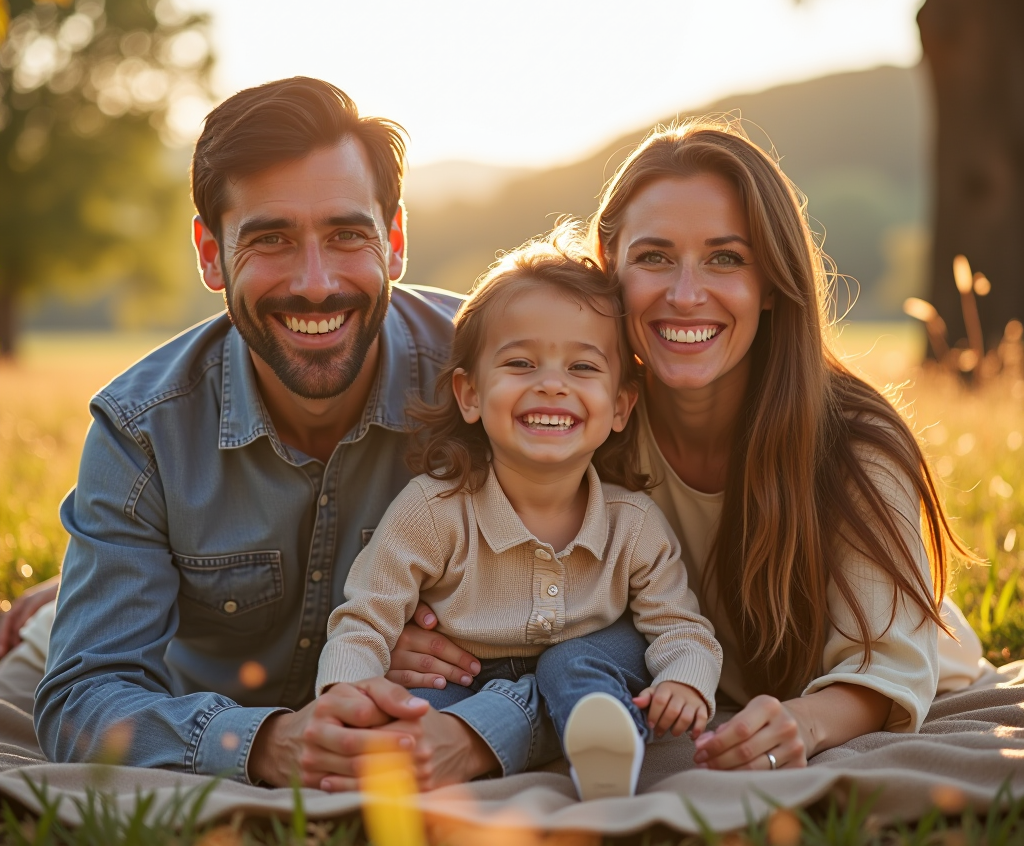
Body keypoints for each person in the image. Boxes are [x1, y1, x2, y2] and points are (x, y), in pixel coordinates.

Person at [297, 119, 984, 782]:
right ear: (610, 270)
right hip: (665, 682)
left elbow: (887, 670)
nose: (686, 295)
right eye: (654, 258)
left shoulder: (853, 444)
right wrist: (428, 637)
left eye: (726, 258)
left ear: (772, 282)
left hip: (852, 684)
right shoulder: (583, 425)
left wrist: (801, 724)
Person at [26, 76, 500, 786]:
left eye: (347, 235)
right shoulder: (142, 431)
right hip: (205, 690)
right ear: (211, 253)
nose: (314, 283)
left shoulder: (502, 383)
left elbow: (597, 618)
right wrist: (267, 743)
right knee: (50, 636)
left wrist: (476, 733)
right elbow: (79, 702)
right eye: (271, 239)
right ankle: (66, 595)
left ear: (395, 240)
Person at [315, 235, 722, 799]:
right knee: (411, 722)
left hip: (594, 667)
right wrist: (348, 695)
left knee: (577, 664)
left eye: (582, 366)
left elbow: (679, 628)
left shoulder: (634, 525)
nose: (551, 383)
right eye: (521, 363)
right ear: (470, 394)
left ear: (622, 405)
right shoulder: (432, 512)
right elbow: (366, 620)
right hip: (465, 680)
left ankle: (606, 753)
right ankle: (521, 740)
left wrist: (686, 681)